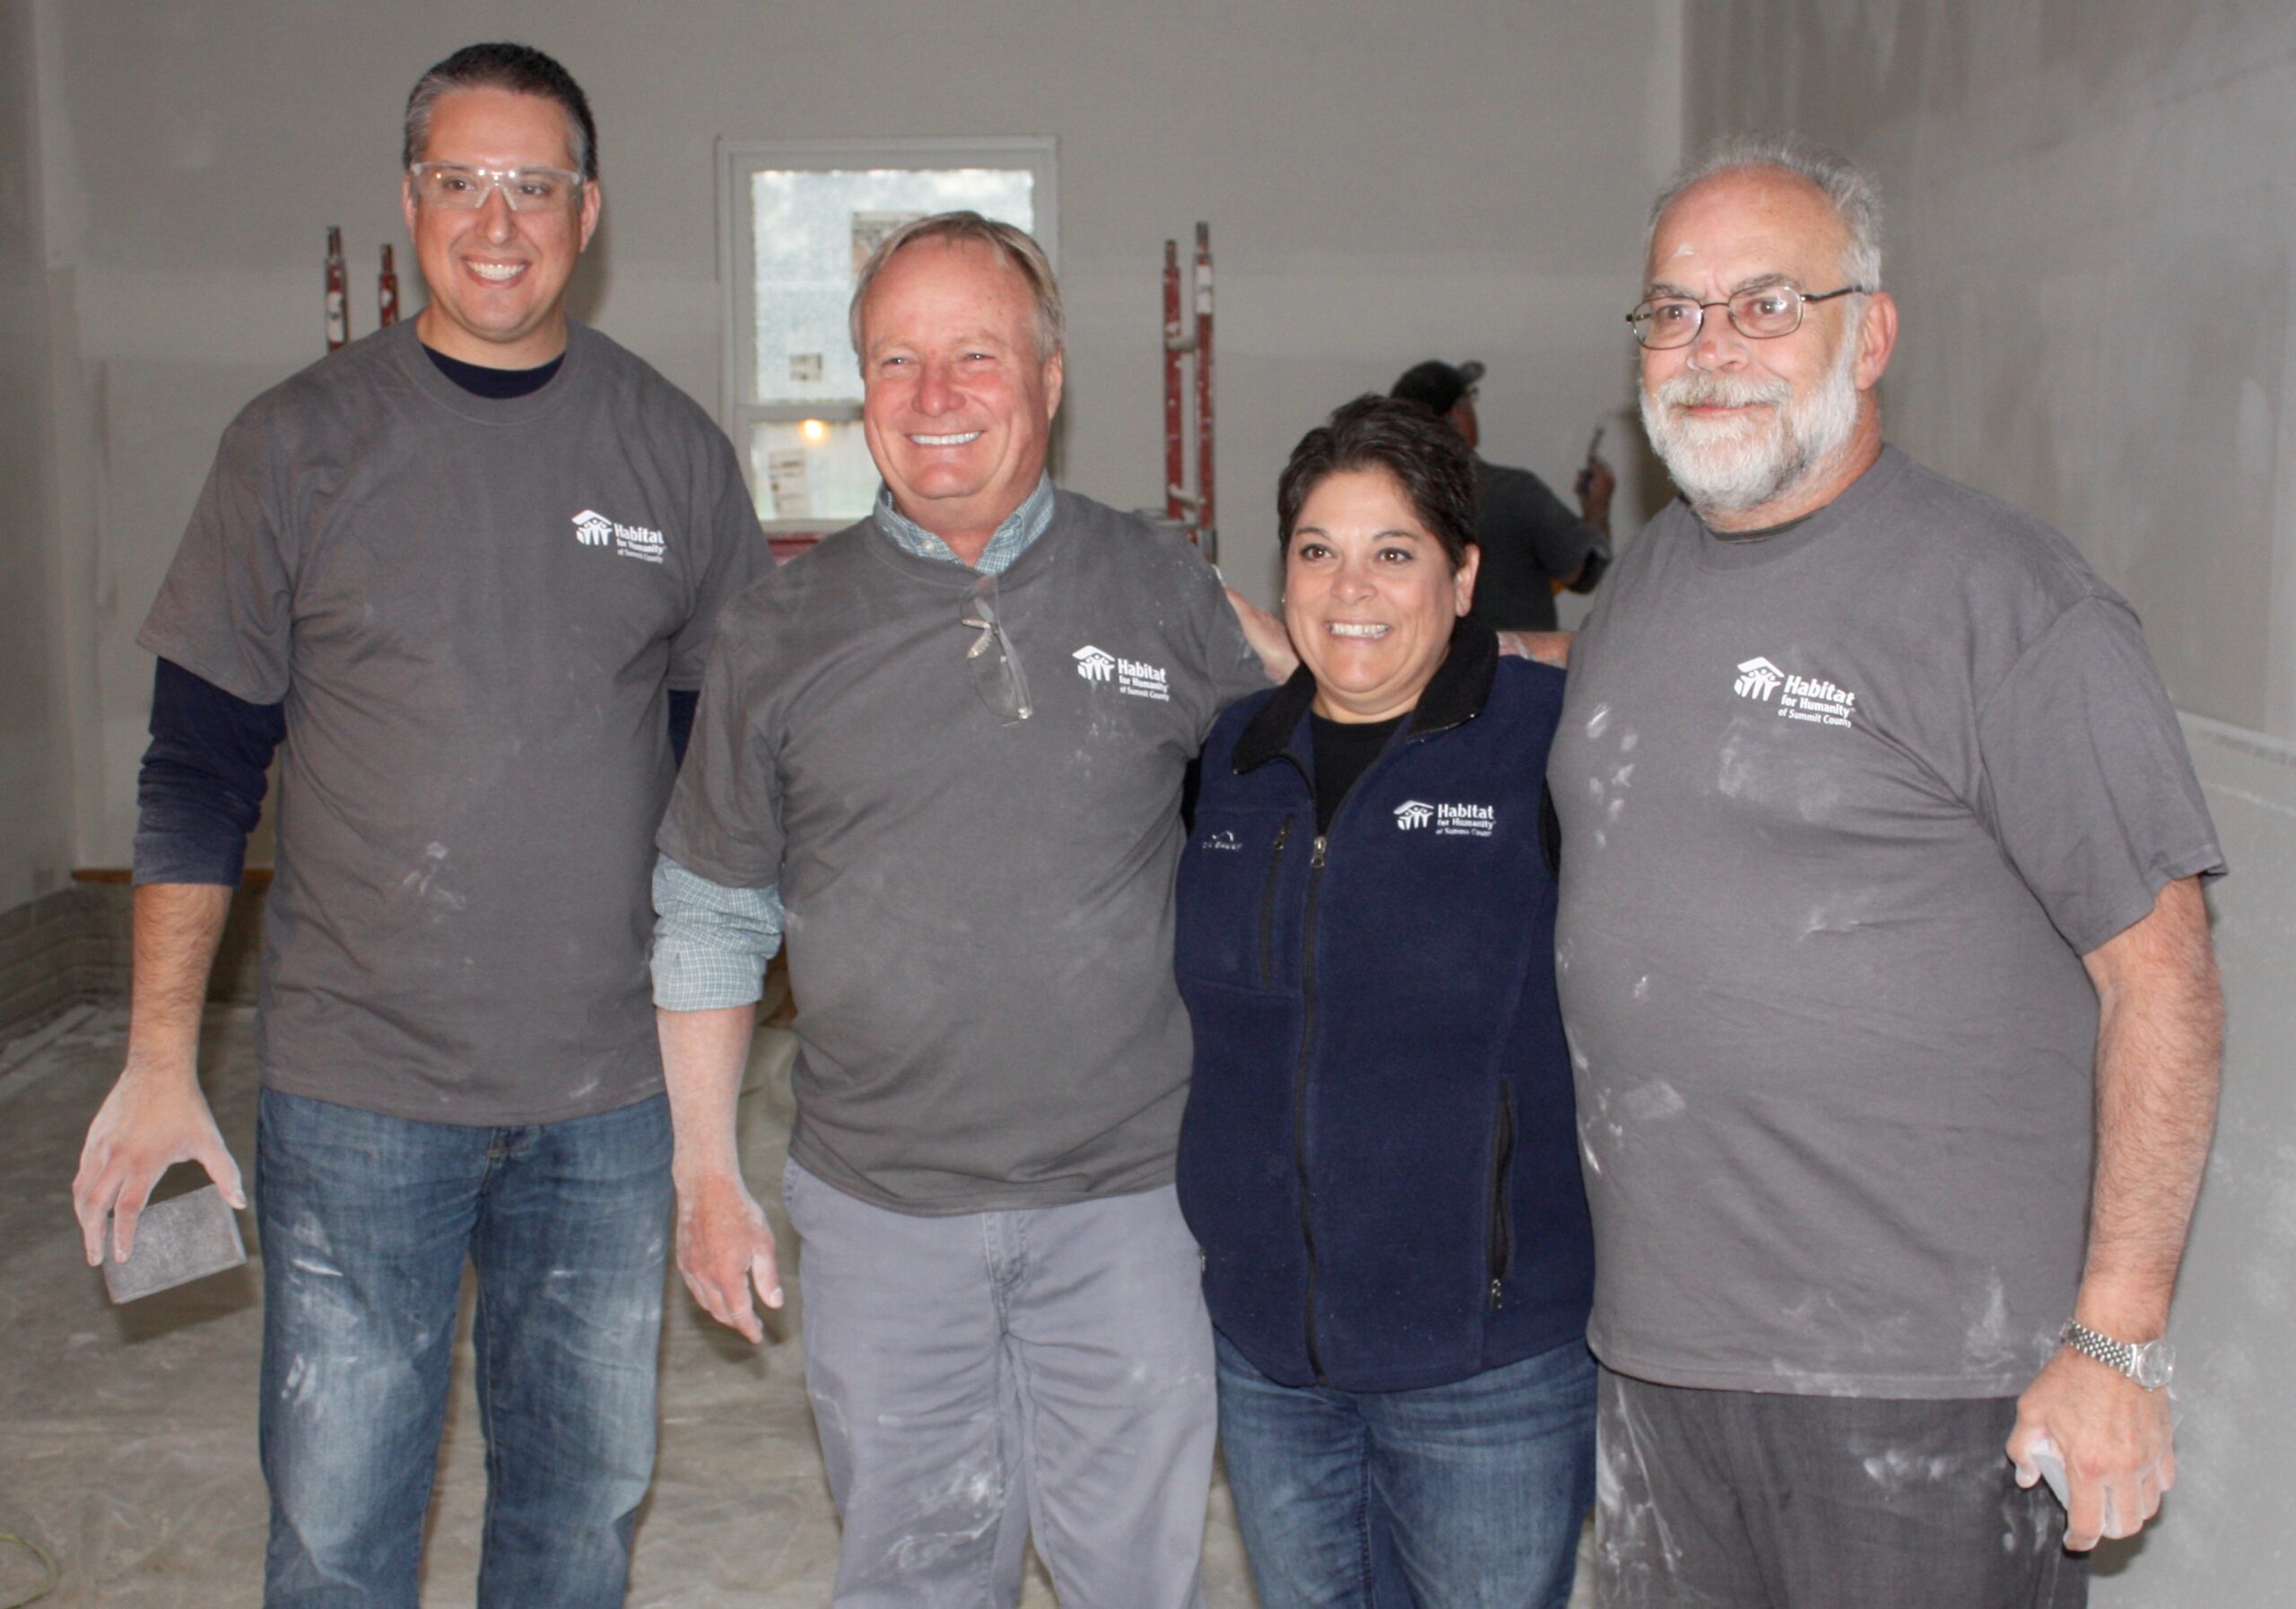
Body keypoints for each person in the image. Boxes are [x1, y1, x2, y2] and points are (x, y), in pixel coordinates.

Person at [70, 42, 763, 1607]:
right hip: (357, 1095)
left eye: (534, 186)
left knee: (576, 1526)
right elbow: (195, 771)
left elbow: (719, 784)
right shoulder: (294, 445)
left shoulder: (671, 451)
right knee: (337, 1539)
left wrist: (711, 1099)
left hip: (606, 1100)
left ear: (588, 211)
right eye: (462, 181)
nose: (497, 222)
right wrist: (161, 1057)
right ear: (410, 200)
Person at [1548, 135, 2224, 1608]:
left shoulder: (2010, 605)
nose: (1710, 347)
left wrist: (2115, 1340)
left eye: (1766, 304)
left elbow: (2164, 976)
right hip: (1663, 1364)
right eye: (1674, 309)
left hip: (1929, 1387)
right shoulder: (1645, 582)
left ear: (1872, 335)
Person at [647, 213, 1284, 1608]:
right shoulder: (777, 628)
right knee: (914, 1576)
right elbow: (709, 914)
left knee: (1135, 1580)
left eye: (976, 355)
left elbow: (1324, 771)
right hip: (882, 1212)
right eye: (897, 359)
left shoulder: (1162, 587)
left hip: (1130, 1201)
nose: (934, 395)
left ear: (1049, 378)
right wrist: (705, 1173)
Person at [1174, 395, 1595, 1609]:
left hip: (1488, 1363)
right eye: (1318, 550)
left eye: (1393, 552)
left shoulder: (1548, 746)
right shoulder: (1230, 762)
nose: (1350, 588)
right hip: (1270, 1356)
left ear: (1462, 579)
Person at [1392, 358, 1613, 633]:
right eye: (1469, 398)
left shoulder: (1391, 502)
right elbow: (1585, 574)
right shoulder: (1513, 493)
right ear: (1458, 415)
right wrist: (1598, 506)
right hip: (1513, 660)